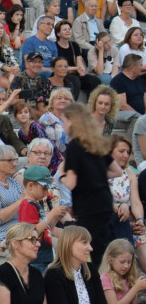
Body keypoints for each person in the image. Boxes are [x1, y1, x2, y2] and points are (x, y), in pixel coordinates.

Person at [60, 103, 115, 266]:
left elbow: (70, 183)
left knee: (90, 252)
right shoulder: (96, 143)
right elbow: (117, 171)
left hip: (88, 207)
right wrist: (94, 175)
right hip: (104, 203)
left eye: (64, 121)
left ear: (72, 121)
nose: (63, 125)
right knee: (103, 250)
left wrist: (62, 174)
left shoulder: (74, 147)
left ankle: (97, 287)